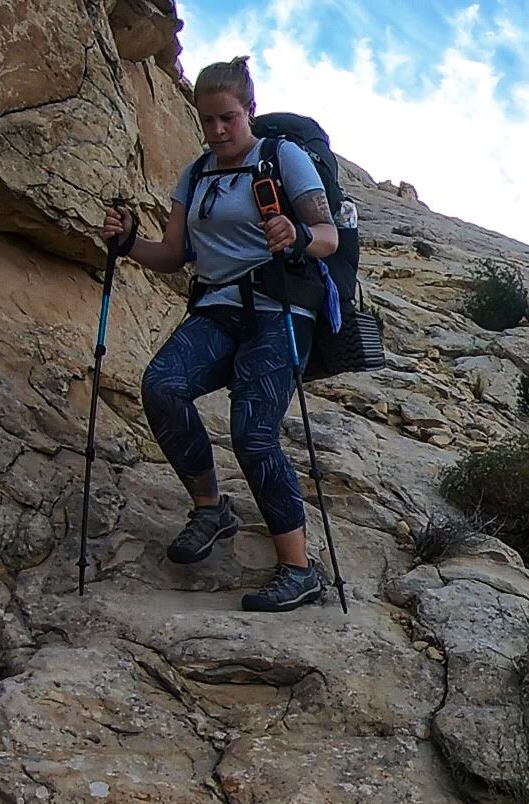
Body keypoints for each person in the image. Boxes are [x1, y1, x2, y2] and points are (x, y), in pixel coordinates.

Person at [101, 56, 338, 612]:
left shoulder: (285, 158)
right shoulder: (195, 173)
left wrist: (296, 232)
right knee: (162, 385)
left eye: (228, 118)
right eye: (207, 120)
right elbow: (174, 254)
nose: (217, 131)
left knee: (252, 432)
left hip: (281, 310)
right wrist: (128, 242)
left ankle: (299, 568)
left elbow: (327, 235)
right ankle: (211, 509)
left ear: (249, 111)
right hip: (217, 308)